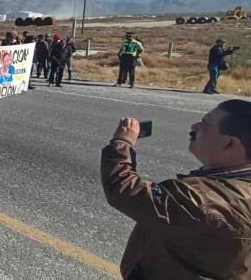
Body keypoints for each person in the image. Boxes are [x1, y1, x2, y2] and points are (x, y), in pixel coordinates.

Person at [102, 100, 251, 279]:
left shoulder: (202, 199)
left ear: (230, 144)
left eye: (205, 124)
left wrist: (122, 142)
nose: (194, 126)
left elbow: (124, 190)